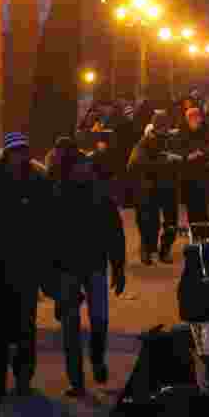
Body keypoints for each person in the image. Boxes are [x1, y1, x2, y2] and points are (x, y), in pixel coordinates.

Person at [49, 148, 126, 397]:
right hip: (67, 270)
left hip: (95, 266)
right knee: (70, 328)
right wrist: (49, 276)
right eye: (80, 166)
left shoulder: (100, 195)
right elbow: (46, 237)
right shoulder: (57, 194)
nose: (84, 170)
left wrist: (118, 267)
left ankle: (97, 360)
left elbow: (115, 233)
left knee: (99, 322)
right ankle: (77, 381)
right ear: (70, 170)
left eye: (87, 166)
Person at [0, 132, 52, 410]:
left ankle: (22, 378)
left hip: (26, 268)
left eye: (22, 151)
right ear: (7, 154)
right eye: (14, 151)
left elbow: (46, 223)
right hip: (1, 265)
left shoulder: (37, 182)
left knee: (25, 326)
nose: (19, 156)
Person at [128, 111, 182, 264]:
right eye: (162, 127)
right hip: (150, 188)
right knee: (149, 222)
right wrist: (165, 161)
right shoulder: (145, 141)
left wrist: (179, 159)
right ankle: (147, 249)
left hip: (169, 187)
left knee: (171, 222)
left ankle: (164, 250)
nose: (165, 130)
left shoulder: (172, 139)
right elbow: (135, 163)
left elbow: (181, 156)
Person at [177, 106, 209, 225]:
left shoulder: (206, 129)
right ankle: (194, 228)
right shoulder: (182, 131)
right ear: (189, 119)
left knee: (203, 203)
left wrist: (203, 152)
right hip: (189, 173)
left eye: (199, 117)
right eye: (196, 118)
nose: (199, 120)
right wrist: (188, 155)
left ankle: (204, 227)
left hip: (204, 171)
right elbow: (178, 151)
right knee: (192, 204)